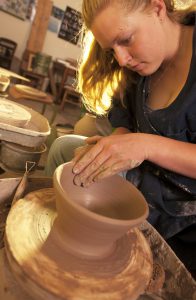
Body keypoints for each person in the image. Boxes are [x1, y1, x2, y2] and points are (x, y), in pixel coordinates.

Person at [45, 0, 196, 274]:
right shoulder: (138, 63)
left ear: (158, 8)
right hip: (147, 176)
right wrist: (118, 141)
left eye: (126, 40)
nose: (122, 59)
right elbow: (123, 111)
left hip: (185, 212)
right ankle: (55, 239)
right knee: (64, 149)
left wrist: (144, 145)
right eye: (112, 50)